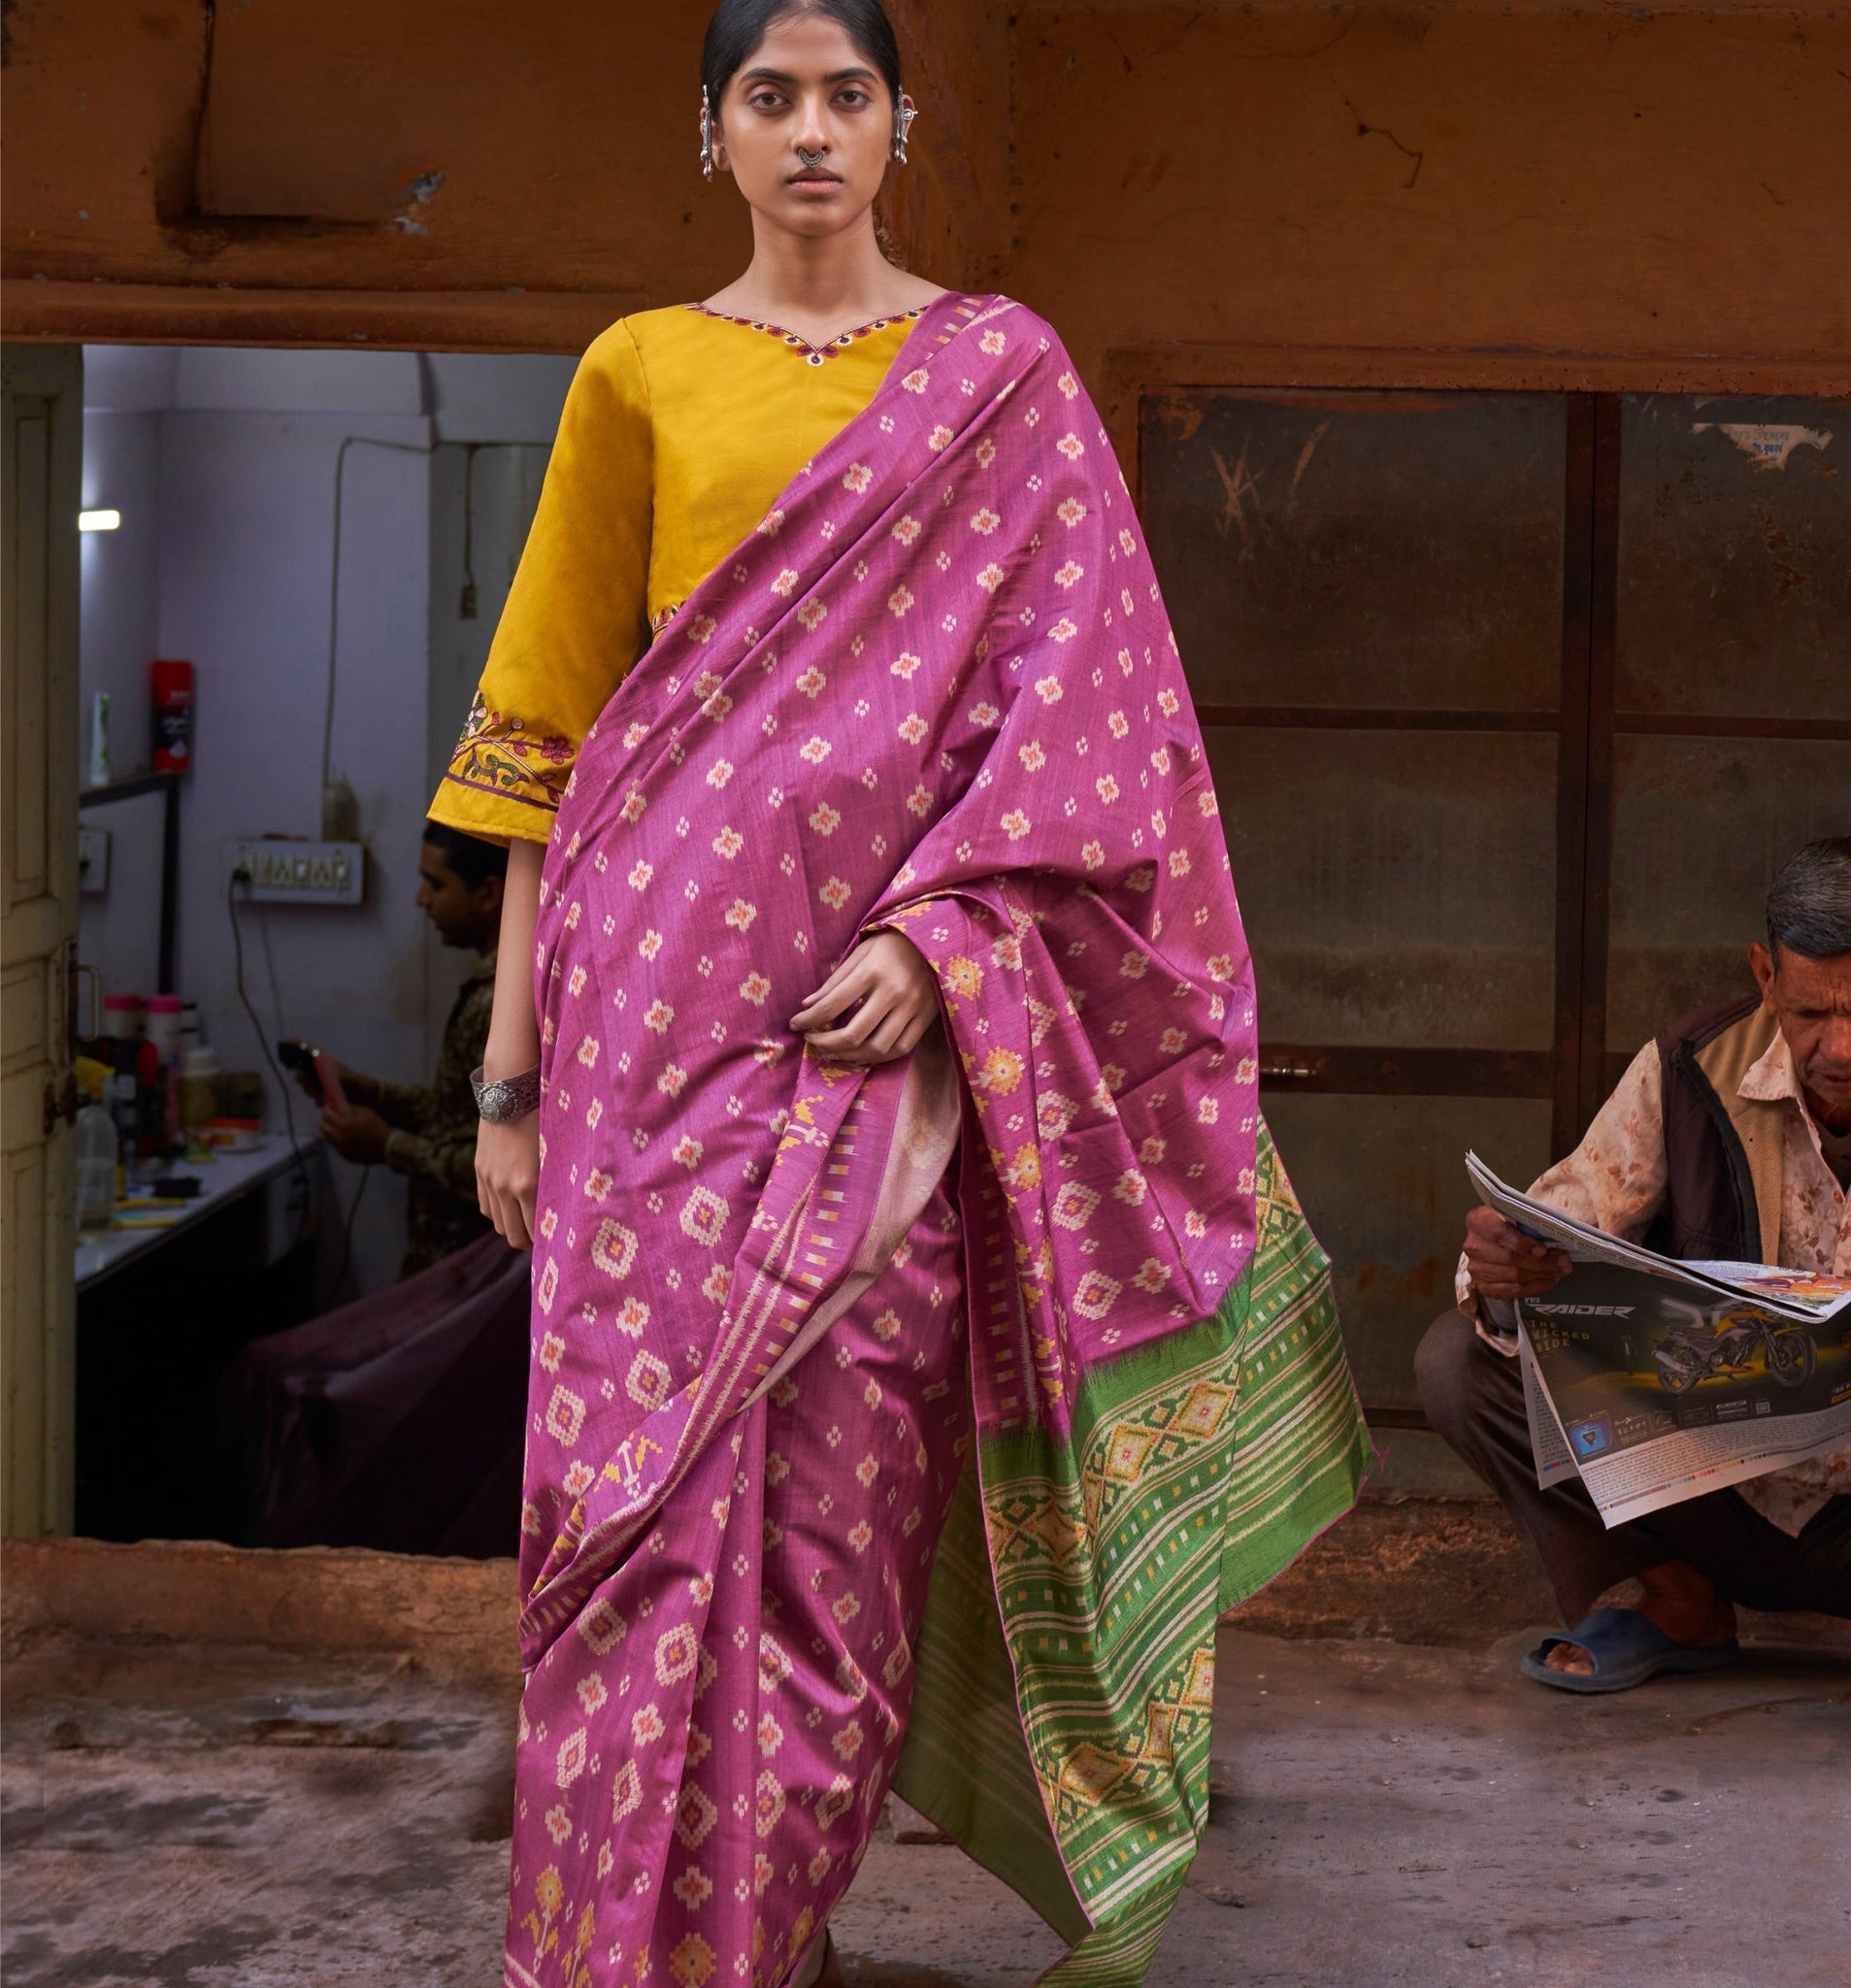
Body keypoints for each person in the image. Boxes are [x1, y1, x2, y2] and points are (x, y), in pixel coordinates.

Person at [424, 5, 1372, 1983]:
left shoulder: (1003, 385)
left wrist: (948, 952)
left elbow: (1096, 748)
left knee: (837, 1555)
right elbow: (545, 745)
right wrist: (508, 1087)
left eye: (845, 94)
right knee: (623, 1540)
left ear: (901, 123)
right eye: (768, 98)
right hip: (642, 1047)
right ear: (711, 135)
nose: (810, 132)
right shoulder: (640, 372)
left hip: (880, 1077)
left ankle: (767, 1936)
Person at [1418, 838, 1851, 1740]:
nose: (1840, 1049)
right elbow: (1570, 1212)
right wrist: (1505, 1276)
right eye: (1807, 1014)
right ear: (1765, 977)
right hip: (1712, 1498)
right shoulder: (1685, 1069)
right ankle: (1679, 1599)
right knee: (1459, 1361)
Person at [299, 821, 506, 1277]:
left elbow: (502, 1159)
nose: (421, 899)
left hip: (468, 1270)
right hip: (444, 1262)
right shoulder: (487, 992)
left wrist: (387, 1144)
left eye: (435, 884)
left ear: (489, 893)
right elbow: (459, 1115)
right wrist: (370, 1093)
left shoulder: (500, 1008)